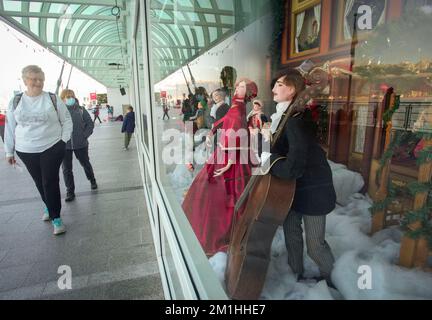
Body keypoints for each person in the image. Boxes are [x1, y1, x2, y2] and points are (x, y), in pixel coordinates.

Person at [263, 68, 336, 287]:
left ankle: (334, 280)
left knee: (315, 244)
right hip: (292, 190)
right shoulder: (284, 114)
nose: (274, 88)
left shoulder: (295, 119)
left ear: (293, 90)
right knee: (291, 233)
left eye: (280, 85)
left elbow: (291, 167)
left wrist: (269, 157)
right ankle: (297, 274)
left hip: (313, 188)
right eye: (275, 84)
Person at [182, 78, 258, 256]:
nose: (238, 88)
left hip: (231, 155)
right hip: (225, 150)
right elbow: (225, 120)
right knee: (213, 190)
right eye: (238, 85)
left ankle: (223, 234)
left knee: (224, 193)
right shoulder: (235, 105)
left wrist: (230, 159)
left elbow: (236, 132)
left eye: (242, 87)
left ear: (248, 93)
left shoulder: (239, 107)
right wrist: (213, 130)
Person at [4, 65, 72, 235]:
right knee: (39, 182)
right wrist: (9, 152)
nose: (38, 82)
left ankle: (56, 217)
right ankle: (49, 207)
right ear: (25, 81)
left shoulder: (52, 98)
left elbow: (67, 121)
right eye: (34, 79)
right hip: (26, 150)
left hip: (52, 146)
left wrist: (62, 142)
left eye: (40, 79)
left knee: (50, 181)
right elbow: (10, 127)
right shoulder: (15, 101)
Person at [60, 89, 98, 202]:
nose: (69, 98)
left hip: (81, 144)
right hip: (65, 145)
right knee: (66, 169)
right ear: (62, 99)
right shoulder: (58, 112)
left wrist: (84, 135)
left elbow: (90, 124)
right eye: (67, 96)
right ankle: (70, 191)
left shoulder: (81, 110)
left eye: (71, 96)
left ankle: (92, 180)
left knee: (85, 163)